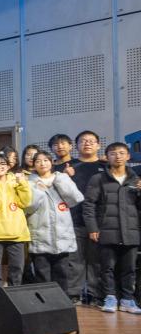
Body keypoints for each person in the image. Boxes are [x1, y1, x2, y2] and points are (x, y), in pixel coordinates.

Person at [82, 143, 141, 313]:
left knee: (129, 268)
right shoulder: (98, 179)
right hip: (106, 229)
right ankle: (109, 297)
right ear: (107, 157)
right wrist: (92, 228)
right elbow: (89, 205)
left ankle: (128, 300)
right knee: (106, 267)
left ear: (128, 156)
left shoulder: (136, 180)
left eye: (122, 153)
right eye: (113, 153)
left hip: (131, 231)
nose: (118, 156)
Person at [26, 151, 84, 296]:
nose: (42, 163)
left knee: (62, 272)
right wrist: (39, 191)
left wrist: (60, 181)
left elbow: (76, 199)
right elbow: (27, 207)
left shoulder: (62, 178)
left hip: (62, 234)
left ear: (51, 162)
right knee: (42, 273)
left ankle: (62, 302)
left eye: (46, 160)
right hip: (40, 234)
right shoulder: (29, 182)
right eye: (38, 161)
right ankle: (44, 302)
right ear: (33, 165)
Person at [67, 131, 107, 305]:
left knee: (96, 260)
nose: (87, 143)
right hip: (74, 219)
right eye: (83, 141)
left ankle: (95, 294)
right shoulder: (69, 166)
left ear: (98, 145)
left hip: (100, 220)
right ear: (76, 146)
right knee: (74, 260)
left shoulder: (106, 166)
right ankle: (73, 293)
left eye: (91, 141)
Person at [0, 155, 32, 292]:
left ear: (9, 166)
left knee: (17, 268)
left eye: (2, 163)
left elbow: (26, 202)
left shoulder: (17, 181)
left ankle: (14, 295)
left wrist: (22, 184)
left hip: (17, 231)